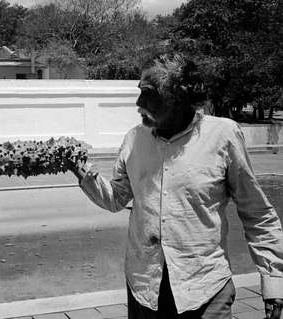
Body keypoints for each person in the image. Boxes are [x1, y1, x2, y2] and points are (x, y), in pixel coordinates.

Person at [69, 54, 283, 319]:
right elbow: (116, 198)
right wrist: (84, 175)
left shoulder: (223, 136)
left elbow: (257, 213)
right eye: (139, 93)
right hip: (145, 289)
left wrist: (274, 282)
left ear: (179, 97)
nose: (138, 104)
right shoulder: (135, 139)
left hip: (205, 290)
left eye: (149, 95)